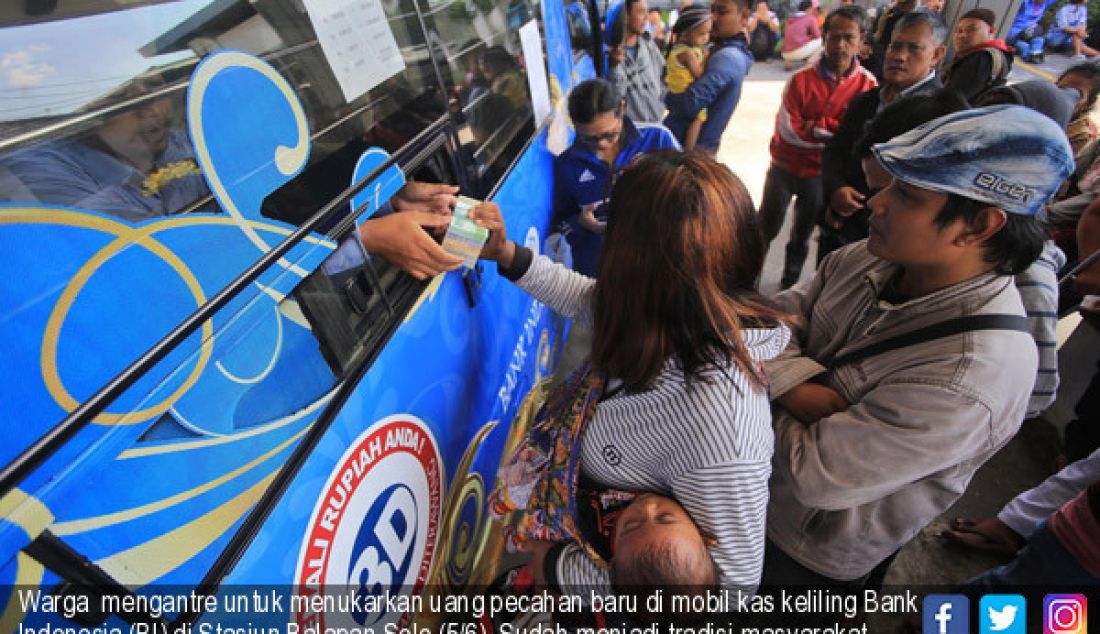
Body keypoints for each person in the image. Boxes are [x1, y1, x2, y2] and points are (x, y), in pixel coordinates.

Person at [762, 106, 1074, 588]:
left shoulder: (973, 374)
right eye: (888, 184)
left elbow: (814, 474)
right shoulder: (865, 257)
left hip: (804, 554)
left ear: (978, 225)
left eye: (905, 194)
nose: (876, 203)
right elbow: (768, 321)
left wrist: (753, 374)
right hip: (747, 498)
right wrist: (795, 387)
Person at [473, 151, 792, 594]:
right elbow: (593, 301)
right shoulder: (667, 314)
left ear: (633, 264)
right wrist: (507, 255)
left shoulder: (722, 426)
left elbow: (731, 584)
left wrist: (560, 572)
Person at [489, 366, 719, 616]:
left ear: (612, 562)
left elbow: (556, 525)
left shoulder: (599, 541)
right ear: (704, 537)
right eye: (665, 517)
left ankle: (512, 529)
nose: (647, 508)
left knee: (530, 528)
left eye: (630, 525)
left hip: (555, 513)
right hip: (569, 474)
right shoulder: (687, 509)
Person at [760, 4, 876, 288]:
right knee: (763, 229)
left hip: (818, 177)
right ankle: (746, 280)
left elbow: (855, 140)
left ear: (862, 40)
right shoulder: (799, 80)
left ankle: (787, 286)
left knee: (801, 235)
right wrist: (833, 132)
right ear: (824, 38)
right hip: (783, 168)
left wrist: (816, 127)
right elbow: (789, 130)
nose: (840, 45)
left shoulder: (868, 87)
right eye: (834, 37)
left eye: (849, 37)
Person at [818, 9, 945, 261]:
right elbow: (836, 149)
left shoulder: (943, 115)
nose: (899, 56)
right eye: (895, 46)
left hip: (887, 244)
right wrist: (836, 188)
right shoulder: (867, 99)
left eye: (913, 48)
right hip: (839, 227)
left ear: (937, 55)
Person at [552, 79, 679, 278]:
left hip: (659, 266)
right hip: (601, 272)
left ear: (622, 108)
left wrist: (653, 176)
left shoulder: (658, 140)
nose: (602, 145)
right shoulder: (567, 165)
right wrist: (583, 225)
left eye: (610, 135)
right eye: (589, 138)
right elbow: (562, 217)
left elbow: (692, 195)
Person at [665, 0, 755, 155]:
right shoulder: (722, 50)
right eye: (711, 10)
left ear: (744, 16)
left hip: (692, 154)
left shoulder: (727, 57)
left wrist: (667, 97)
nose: (712, 18)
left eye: (722, 12)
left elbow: (689, 105)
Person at [608, 0, 667, 123]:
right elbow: (616, 97)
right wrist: (614, 67)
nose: (646, 18)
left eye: (647, 12)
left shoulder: (648, 44)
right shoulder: (611, 54)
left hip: (657, 123)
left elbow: (663, 75)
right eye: (641, 12)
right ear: (626, 17)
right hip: (633, 129)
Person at [666, 7, 713, 150]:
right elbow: (698, 74)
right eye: (701, 34)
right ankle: (689, 150)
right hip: (684, 96)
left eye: (708, 33)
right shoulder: (688, 54)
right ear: (685, 34)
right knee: (699, 117)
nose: (706, 37)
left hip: (674, 95)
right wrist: (708, 59)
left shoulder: (680, 48)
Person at [941, 8, 1012, 104]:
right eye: (959, 30)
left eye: (971, 29)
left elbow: (948, 100)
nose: (963, 35)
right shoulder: (1000, 54)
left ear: (991, 30)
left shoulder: (982, 58)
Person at [866, 0, 918, 78]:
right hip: (876, 54)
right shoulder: (887, 10)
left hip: (893, 60)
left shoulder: (916, 18)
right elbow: (874, 30)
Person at [1058, 63, 1100, 153]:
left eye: (1077, 95)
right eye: (1062, 89)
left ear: (1088, 103)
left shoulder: (1082, 136)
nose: (1066, 96)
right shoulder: (1040, 105)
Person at [781, 0, 823, 70]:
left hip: (784, 53)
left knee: (794, 41)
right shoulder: (810, 18)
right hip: (798, 52)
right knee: (822, 41)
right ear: (809, 9)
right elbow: (817, 35)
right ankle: (809, 63)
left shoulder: (790, 19)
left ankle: (787, 62)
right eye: (813, 9)